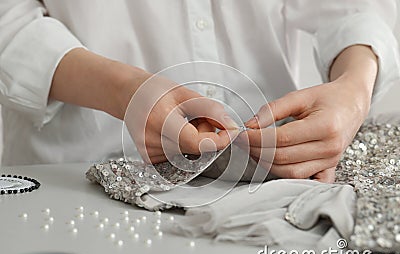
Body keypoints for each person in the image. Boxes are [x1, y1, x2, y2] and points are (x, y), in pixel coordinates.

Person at [0, 0, 399, 184]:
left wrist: (353, 89)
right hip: (72, 175)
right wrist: (121, 90)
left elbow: (357, 8)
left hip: (284, 179)